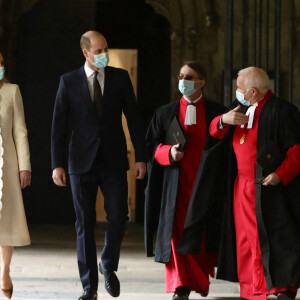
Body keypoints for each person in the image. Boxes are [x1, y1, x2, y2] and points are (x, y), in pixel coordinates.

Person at [179, 66, 300, 300]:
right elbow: (214, 133)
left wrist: (280, 175)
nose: (237, 92)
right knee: (245, 239)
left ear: (253, 91)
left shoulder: (282, 111)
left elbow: (297, 150)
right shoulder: (239, 107)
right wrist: (223, 119)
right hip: (241, 187)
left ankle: (280, 287)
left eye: (240, 88)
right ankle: (250, 288)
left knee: (272, 238)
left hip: (270, 188)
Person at [51, 31, 147, 300]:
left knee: (118, 217)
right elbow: (59, 127)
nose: (104, 53)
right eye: (99, 50)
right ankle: (89, 287)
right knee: (85, 223)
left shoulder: (120, 77)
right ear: (86, 53)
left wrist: (141, 156)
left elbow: (134, 118)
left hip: (114, 160)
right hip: (80, 163)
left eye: (106, 48)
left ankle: (108, 264)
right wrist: (57, 164)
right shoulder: (68, 82)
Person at [145, 61, 226, 300]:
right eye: (180, 75)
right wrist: (167, 153)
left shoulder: (217, 112)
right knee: (176, 234)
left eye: (188, 77)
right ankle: (180, 286)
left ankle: (199, 281)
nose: (182, 80)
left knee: (201, 234)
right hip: (175, 186)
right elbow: (149, 148)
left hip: (206, 185)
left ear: (201, 82)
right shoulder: (164, 113)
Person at [0, 51, 31, 299]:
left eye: (0, 64)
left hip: (6, 164)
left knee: (6, 220)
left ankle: (5, 271)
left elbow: (20, 131)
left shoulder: (12, 91)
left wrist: (24, 166)